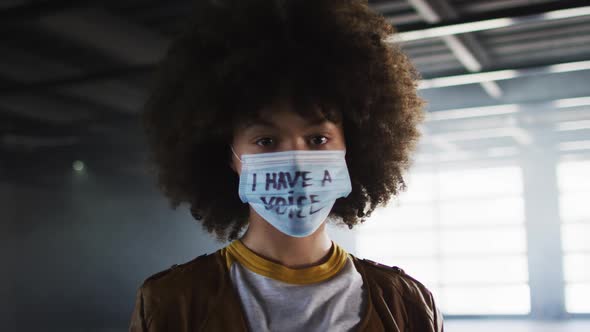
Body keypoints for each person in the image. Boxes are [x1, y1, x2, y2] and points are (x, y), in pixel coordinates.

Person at [129, 0, 444, 331]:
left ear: (352, 148)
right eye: (266, 141)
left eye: (317, 139)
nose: (296, 163)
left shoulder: (407, 303)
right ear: (228, 156)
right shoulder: (171, 302)